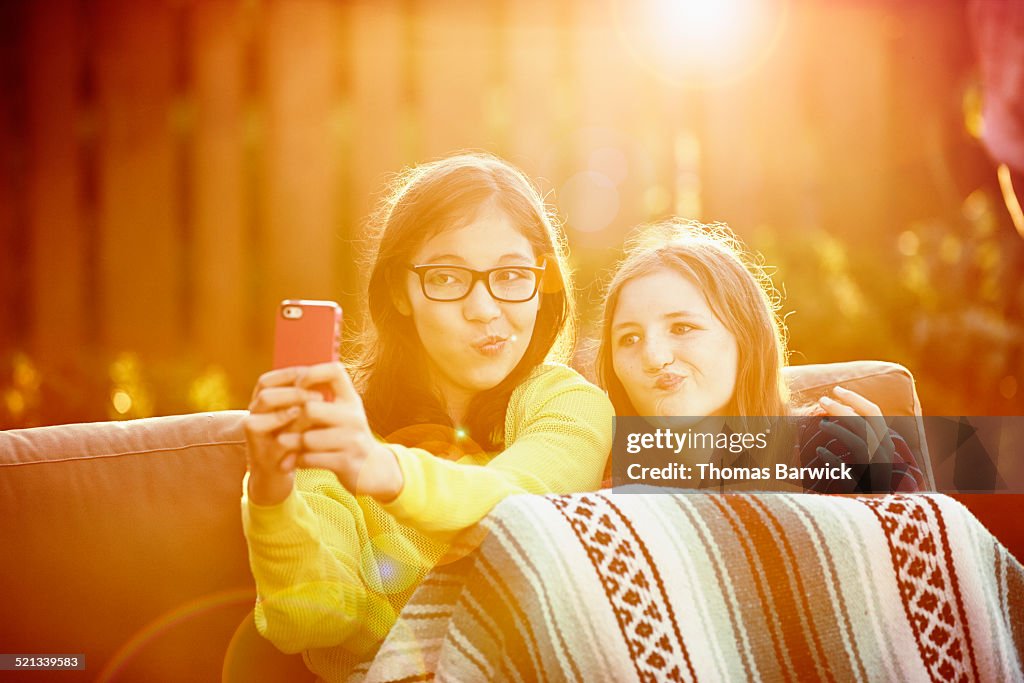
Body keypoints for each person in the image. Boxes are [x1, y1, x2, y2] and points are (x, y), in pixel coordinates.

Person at [241, 153, 614, 680]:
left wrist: (386, 472)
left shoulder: (568, 402)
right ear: (400, 291)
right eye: (446, 277)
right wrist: (272, 496)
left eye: (511, 275)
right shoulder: (338, 430)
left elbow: (522, 502)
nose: (485, 309)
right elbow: (313, 623)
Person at [595, 218, 924, 493]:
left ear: (746, 336)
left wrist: (886, 500)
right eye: (630, 338)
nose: (653, 357)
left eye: (682, 328)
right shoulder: (598, 471)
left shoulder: (835, 445)